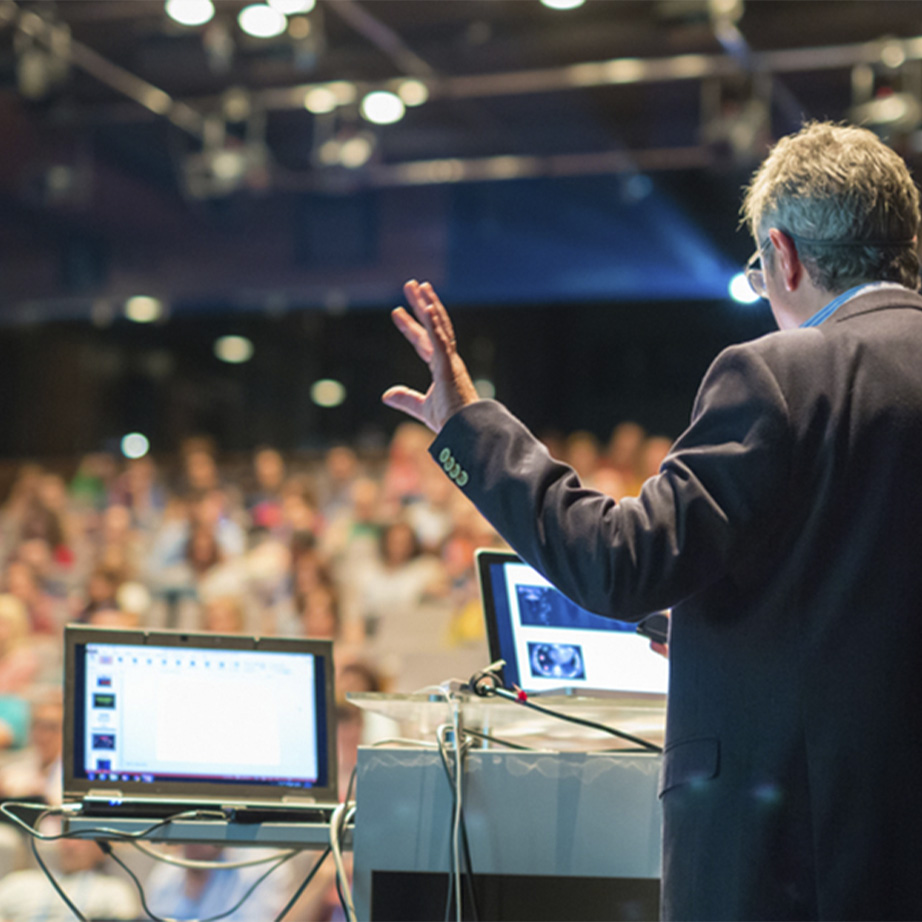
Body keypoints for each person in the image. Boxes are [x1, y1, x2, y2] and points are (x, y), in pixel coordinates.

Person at [382, 121, 922, 921]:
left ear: (783, 256)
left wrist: (468, 425)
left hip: (790, 857)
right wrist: (714, 624)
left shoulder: (785, 372)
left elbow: (620, 564)